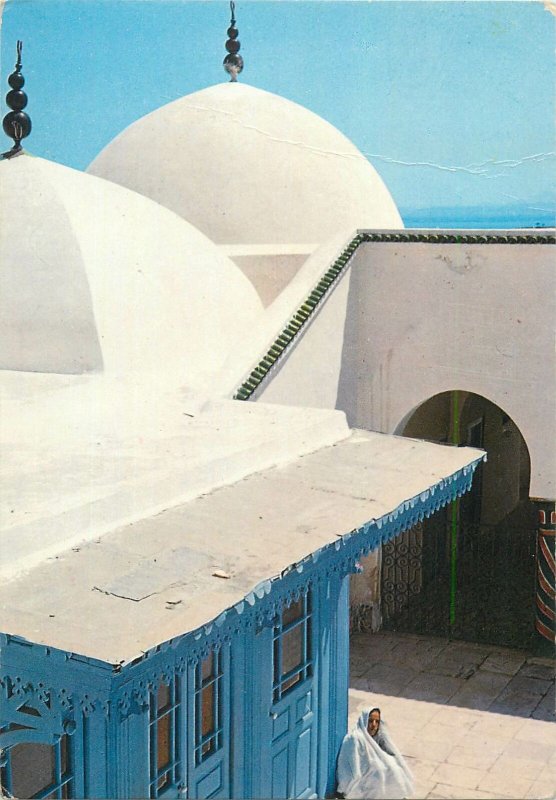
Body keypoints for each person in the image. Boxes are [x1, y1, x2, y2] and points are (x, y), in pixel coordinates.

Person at [336, 707, 414, 799]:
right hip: (362, 779)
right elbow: (353, 767)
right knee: (382, 772)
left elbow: (389, 751)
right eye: (370, 721)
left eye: (377, 722)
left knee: (395, 768)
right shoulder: (355, 738)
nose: (374, 725)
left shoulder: (377, 736)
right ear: (364, 721)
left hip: (372, 773)